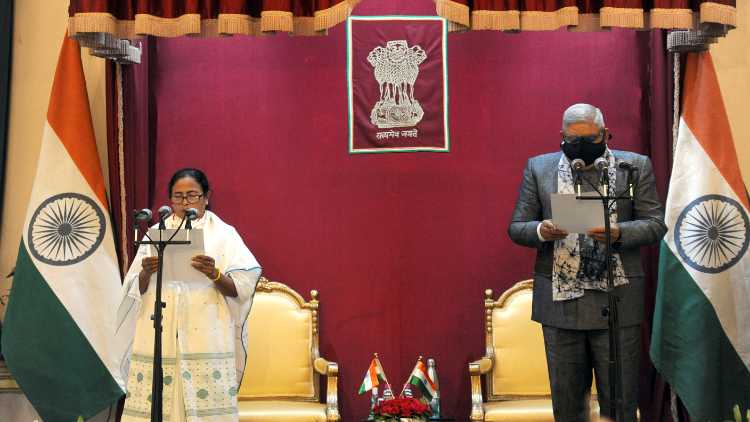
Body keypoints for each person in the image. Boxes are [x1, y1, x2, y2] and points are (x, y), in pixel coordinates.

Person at [508, 104, 667, 422]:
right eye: (572, 139)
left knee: (619, 403)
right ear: (561, 136)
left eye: (590, 138)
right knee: (568, 406)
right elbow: (517, 226)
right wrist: (543, 229)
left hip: (617, 303)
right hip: (560, 306)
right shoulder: (539, 168)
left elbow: (655, 223)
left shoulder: (631, 169)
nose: (581, 145)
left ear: (605, 134)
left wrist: (619, 232)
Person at [119, 168, 261, 422]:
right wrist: (145, 273)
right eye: (178, 197)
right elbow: (135, 289)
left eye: (192, 196)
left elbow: (242, 287)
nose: (185, 203)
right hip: (161, 332)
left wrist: (214, 273)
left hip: (205, 333)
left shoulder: (224, 234)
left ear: (206, 197)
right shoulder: (156, 233)